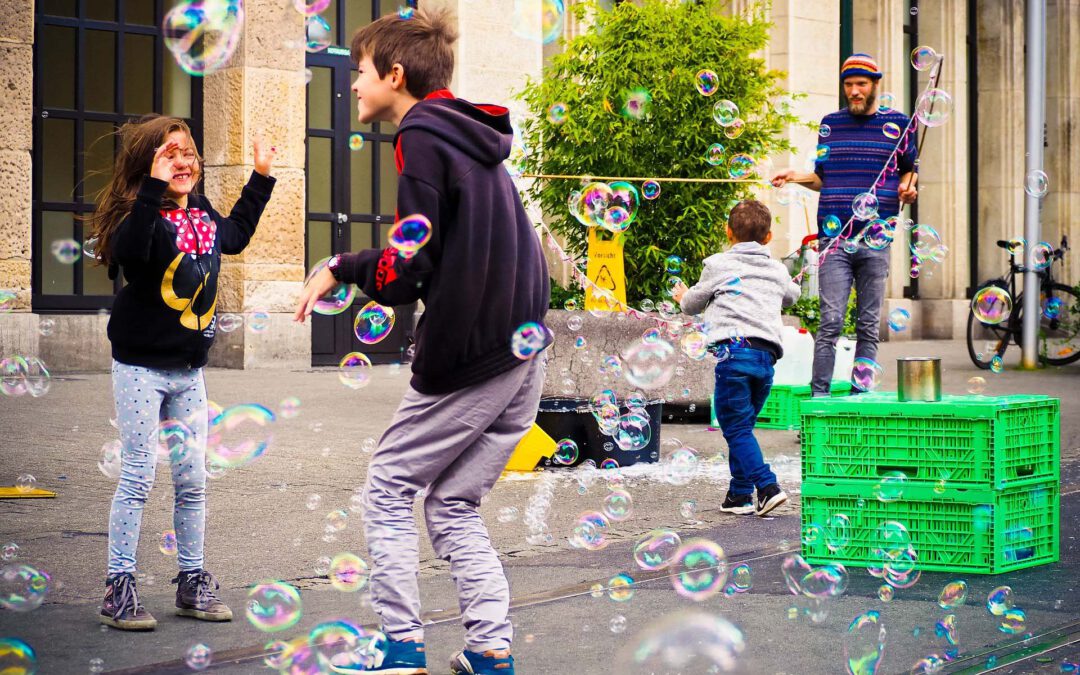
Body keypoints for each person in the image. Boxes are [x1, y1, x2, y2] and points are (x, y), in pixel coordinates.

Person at [294, 8, 548, 675]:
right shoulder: (473, 136)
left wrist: (340, 268)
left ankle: (401, 646)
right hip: (524, 350)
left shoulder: (422, 136)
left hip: (474, 352)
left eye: (359, 72)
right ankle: (491, 649)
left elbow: (410, 265)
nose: (351, 85)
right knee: (452, 500)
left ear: (395, 75)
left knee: (387, 483)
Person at [86, 114, 276, 630]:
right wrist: (152, 188)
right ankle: (118, 587)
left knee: (193, 479)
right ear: (148, 165)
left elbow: (233, 237)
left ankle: (191, 580)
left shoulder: (202, 213)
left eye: (188, 152)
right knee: (139, 475)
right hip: (141, 369)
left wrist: (259, 177)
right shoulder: (140, 216)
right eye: (169, 153)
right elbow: (133, 254)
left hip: (189, 371)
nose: (183, 160)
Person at [771, 53, 919, 396]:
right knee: (830, 323)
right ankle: (819, 402)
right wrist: (795, 176)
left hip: (876, 237)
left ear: (875, 86)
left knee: (868, 325)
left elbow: (910, 169)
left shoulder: (899, 124)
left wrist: (908, 187)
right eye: (849, 84)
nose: (854, 91)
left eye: (861, 84)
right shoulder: (831, 124)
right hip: (834, 239)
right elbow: (822, 178)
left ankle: (858, 401)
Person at [672, 200, 801, 516]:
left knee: (736, 428)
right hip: (765, 358)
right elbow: (792, 297)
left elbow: (691, 304)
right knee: (742, 426)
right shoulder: (776, 269)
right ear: (768, 238)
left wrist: (681, 294)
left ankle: (767, 487)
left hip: (734, 356)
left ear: (728, 232)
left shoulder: (718, 264)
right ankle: (739, 495)